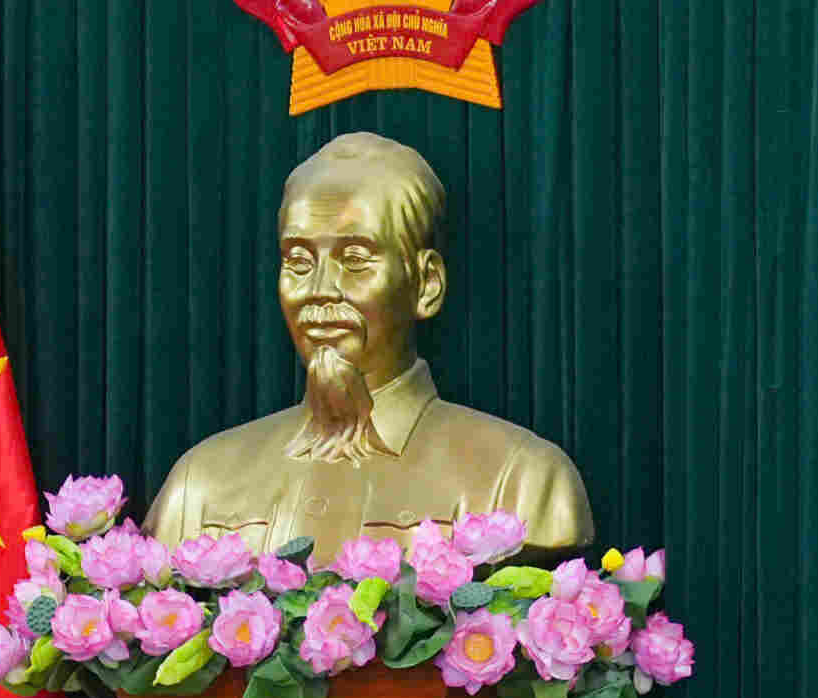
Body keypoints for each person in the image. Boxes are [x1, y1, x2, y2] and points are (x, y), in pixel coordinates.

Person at [147, 132, 591, 557]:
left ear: (426, 284)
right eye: (299, 260)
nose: (320, 289)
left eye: (355, 259)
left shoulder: (522, 481)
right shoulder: (199, 484)